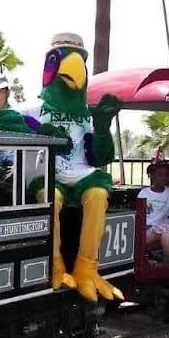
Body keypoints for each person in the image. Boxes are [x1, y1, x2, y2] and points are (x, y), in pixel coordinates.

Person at [22, 32, 123, 301]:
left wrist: (102, 129)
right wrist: (41, 133)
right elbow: (5, 122)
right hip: (49, 175)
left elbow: (102, 157)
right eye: (58, 59)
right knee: (49, 197)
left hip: (81, 176)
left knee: (98, 194)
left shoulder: (88, 115)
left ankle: (87, 267)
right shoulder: (32, 111)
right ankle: (55, 266)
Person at [138, 163, 169, 256]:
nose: (164, 178)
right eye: (160, 175)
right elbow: (144, 213)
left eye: (166, 175)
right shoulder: (144, 193)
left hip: (161, 227)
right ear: (152, 176)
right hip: (145, 225)